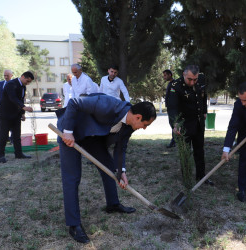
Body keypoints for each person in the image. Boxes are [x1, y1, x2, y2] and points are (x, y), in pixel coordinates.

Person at [57, 94, 156, 244]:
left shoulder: (129, 126)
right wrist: (68, 131)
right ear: (138, 117)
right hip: (71, 129)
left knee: (109, 167)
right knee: (72, 177)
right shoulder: (108, 104)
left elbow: (120, 148)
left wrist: (121, 171)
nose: (144, 128)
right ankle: (74, 224)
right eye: (145, 124)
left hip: (92, 136)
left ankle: (113, 204)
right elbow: (74, 102)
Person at [167, 65, 214, 185]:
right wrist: (175, 123)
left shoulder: (201, 80)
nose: (192, 82)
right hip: (183, 125)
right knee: (185, 153)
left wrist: (204, 112)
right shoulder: (175, 86)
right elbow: (172, 107)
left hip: (198, 123)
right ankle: (187, 178)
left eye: (195, 79)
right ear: (183, 74)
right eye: (190, 79)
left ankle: (201, 177)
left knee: (200, 151)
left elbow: (203, 96)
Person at [0, 71, 34, 163]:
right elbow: (13, 98)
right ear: (23, 77)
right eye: (27, 81)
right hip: (5, 113)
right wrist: (24, 107)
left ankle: (19, 154)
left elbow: (21, 99)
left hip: (16, 114)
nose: (28, 83)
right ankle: (1, 155)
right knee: (4, 135)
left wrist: (22, 113)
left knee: (17, 135)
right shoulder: (11, 84)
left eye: (29, 82)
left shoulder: (23, 86)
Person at [0, 70, 14, 144]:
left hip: (11, 108)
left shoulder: (14, 84)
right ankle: (5, 139)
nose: (5, 77)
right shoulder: (0, 83)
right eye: (4, 75)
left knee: (12, 125)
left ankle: (12, 139)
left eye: (7, 75)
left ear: (11, 75)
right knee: (3, 125)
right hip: (1, 108)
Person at [163, 69, 176, 148]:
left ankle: (174, 141)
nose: (164, 77)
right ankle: (174, 141)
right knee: (172, 124)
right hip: (170, 109)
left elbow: (174, 97)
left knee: (174, 125)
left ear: (170, 75)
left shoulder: (174, 84)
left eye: (165, 75)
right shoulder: (170, 84)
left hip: (173, 109)